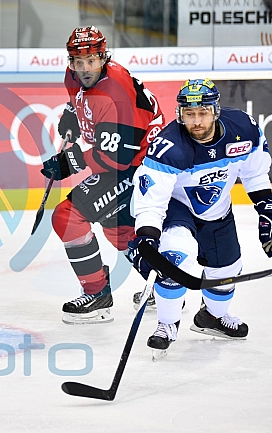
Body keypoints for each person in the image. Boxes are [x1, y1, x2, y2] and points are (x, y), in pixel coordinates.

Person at [128, 78, 272, 351]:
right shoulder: (169, 146)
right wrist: (147, 239)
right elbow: (152, 201)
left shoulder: (243, 128)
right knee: (175, 253)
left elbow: (255, 175)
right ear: (180, 114)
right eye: (189, 113)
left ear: (216, 111)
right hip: (176, 206)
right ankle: (167, 323)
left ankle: (212, 317)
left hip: (217, 209)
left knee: (226, 268)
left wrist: (267, 211)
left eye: (203, 113)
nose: (196, 121)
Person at [41, 26, 164, 324]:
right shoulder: (73, 76)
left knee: (67, 217)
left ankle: (97, 297)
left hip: (140, 162)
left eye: (92, 61)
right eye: (78, 62)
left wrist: (68, 162)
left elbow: (116, 159)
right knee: (118, 229)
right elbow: (80, 101)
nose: (85, 69)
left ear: (104, 58)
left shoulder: (115, 94)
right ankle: (165, 287)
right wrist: (72, 114)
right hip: (127, 157)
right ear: (71, 61)